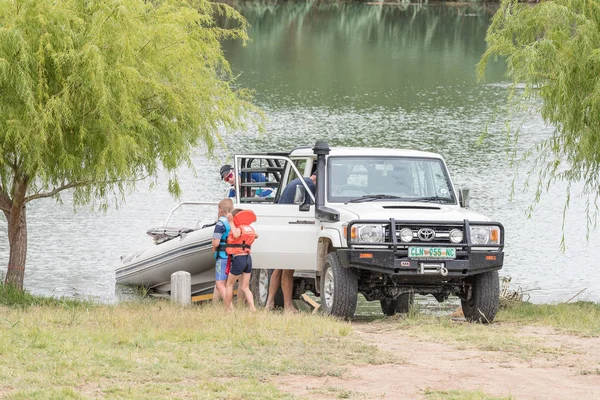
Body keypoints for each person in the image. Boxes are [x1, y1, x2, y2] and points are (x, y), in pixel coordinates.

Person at [265, 171, 317, 312]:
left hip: (281, 227)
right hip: (290, 230)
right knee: (288, 269)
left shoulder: (296, 182)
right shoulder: (309, 186)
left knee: (278, 267)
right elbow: (307, 211)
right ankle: (288, 306)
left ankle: (269, 303)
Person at [223, 208, 257, 312]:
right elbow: (256, 235)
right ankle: (252, 307)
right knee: (245, 287)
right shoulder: (249, 228)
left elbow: (236, 234)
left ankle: (228, 309)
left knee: (229, 284)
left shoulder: (239, 228)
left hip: (239, 259)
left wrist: (230, 222)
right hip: (248, 259)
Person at [211, 198, 233, 303]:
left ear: (220, 210)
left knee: (220, 284)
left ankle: (229, 306)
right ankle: (221, 305)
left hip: (222, 257)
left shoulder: (220, 224)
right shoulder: (233, 222)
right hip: (232, 255)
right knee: (228, 283)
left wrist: (213, 245)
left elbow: (216, 243)